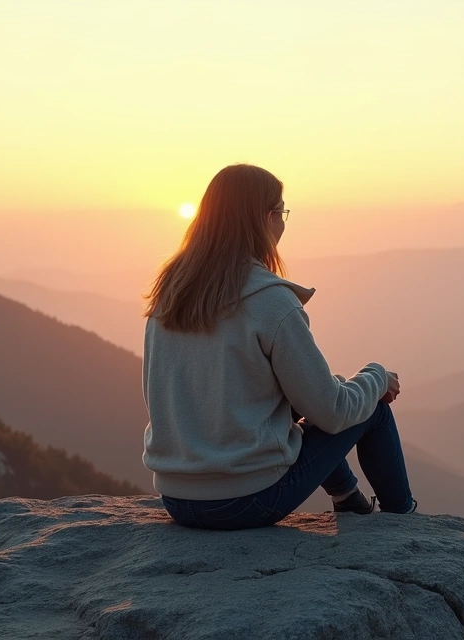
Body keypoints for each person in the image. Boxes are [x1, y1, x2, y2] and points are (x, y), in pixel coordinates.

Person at [142, 163, 416, 530]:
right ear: (266, 219)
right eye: (281, 213)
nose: (283, 224)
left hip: (177, 497)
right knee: (371, 409)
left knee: (303, 404)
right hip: (246, 501)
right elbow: (332, 411)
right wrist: (377, 377)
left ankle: (348, 496)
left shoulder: (170, 294)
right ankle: (405, 522)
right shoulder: (271, 302)